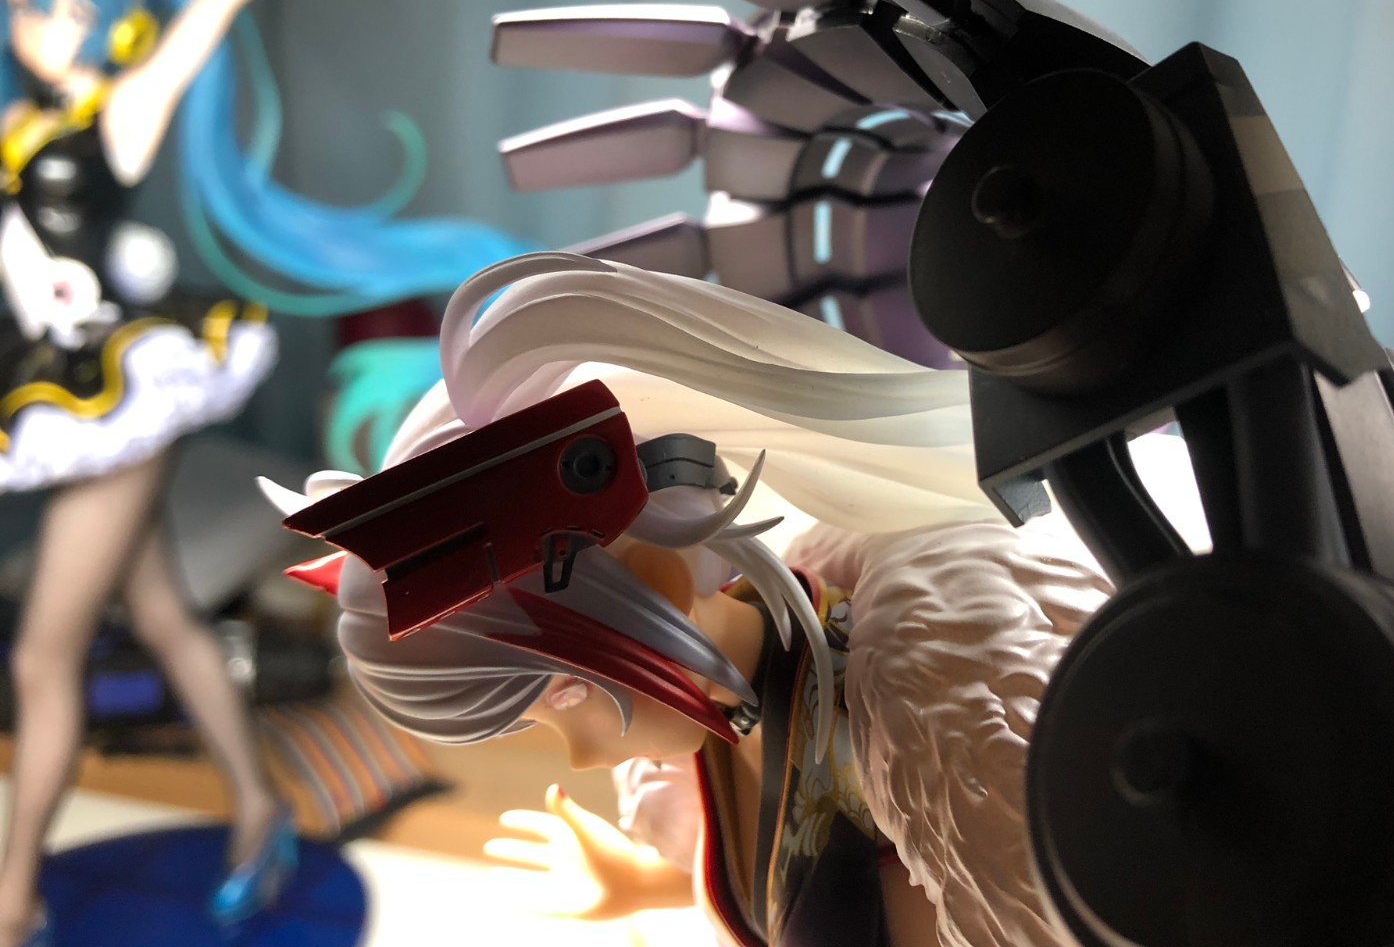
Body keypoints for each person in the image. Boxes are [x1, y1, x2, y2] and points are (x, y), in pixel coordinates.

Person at [270, 250, 1191, 947]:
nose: (580, 753)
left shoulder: (922, 688)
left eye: (564, 696)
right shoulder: (705, 737)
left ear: (660, 583)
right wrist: (649, 884)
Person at [0, 0, 535, 944]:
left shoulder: (121, 112)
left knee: (37, 662)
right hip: (58, 382)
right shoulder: (22, 121)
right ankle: (258, 808)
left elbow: (209, 12)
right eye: (22, 4)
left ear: (107, 18)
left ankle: (10, 905)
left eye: (64, 7)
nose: (39, 27)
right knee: (164, 618)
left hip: (110, 400)